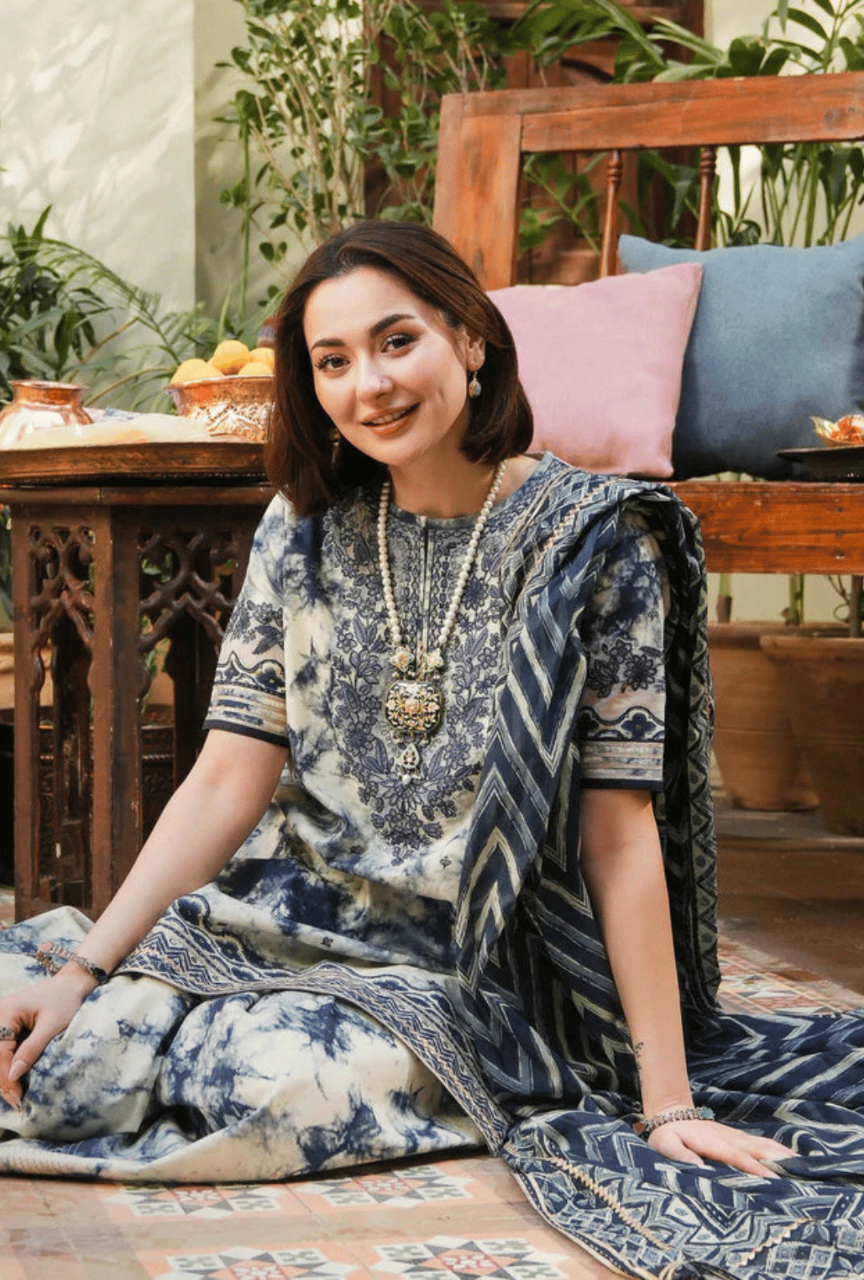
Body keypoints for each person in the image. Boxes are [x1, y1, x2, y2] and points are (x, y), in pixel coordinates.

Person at [0, 220, 862, 1277]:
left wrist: (666, 1098)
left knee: (277, 1085)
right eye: (333, 361)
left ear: (471, 338)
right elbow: (228, 774)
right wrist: (90, 965)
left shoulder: (596, 541)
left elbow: (619, 834)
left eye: (396, 340)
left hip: (475, 968)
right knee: (59, 1041)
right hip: (289, 918)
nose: (371, 383)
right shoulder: (301, 529)